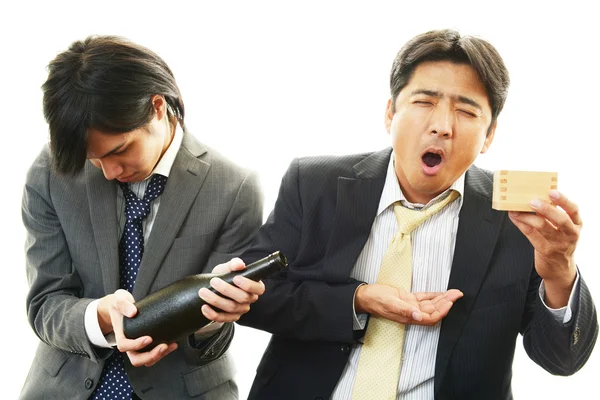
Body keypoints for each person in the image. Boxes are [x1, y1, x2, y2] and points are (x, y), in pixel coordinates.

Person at [234, 29, 599, 399]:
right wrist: (357, 300)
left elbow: (562, 360)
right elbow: (250, 297)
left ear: (489, 135)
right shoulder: (314, 183)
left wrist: (559, 271)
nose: (442, 125)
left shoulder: (518, 219)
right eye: (425, 102)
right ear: (390, 112)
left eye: (466, 110)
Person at [21, 35, 264, 400]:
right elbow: (45, 303)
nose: (108, 172)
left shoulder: (234, 188)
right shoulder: (52, 172)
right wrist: (101, 316)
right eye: (94, 159)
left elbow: (214, 341)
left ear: (157, 107)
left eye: (119, 151)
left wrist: (213, 319)